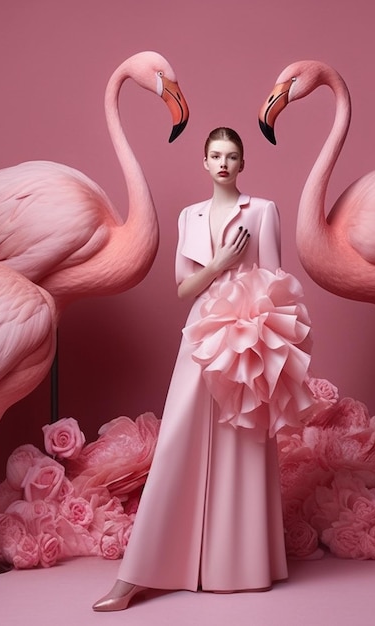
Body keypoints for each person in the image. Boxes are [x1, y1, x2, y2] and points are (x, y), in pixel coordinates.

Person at [92, 127, 312, 611]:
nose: (223, 163)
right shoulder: (187, 216)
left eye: (232, 156)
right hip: (200, 336)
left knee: (246, 448)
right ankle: (136, 576)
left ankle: (243, 567)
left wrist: (260, 340)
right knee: (176, 447)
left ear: (242, 162)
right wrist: (220, 264)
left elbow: (276, 283)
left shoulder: (263, 211)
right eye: (215, 155)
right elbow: (183, 289)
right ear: (204, 162)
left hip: (248, 338)